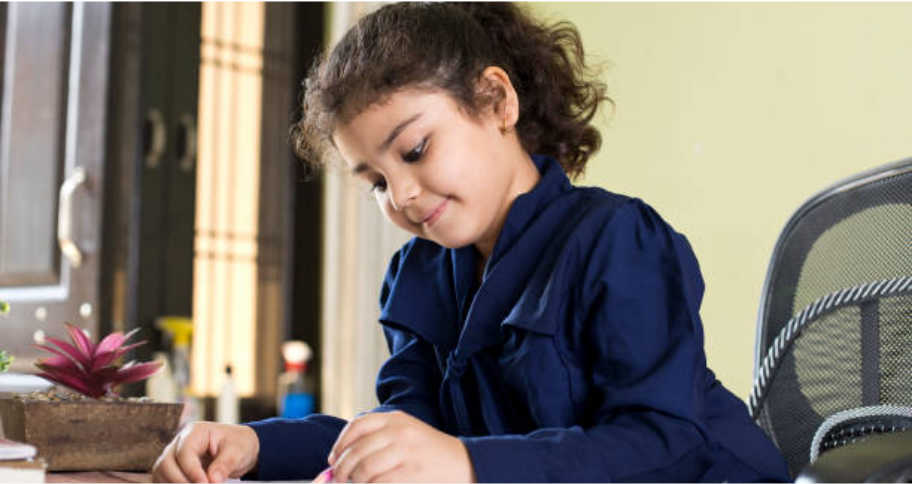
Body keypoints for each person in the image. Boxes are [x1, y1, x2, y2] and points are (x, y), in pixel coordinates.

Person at [152, 3, 790, 483]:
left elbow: (663, 444)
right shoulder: (417, 276)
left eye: (416, 150)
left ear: (495, 100)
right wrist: (256, 445)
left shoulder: (618, 240)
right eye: (375, 180)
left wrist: (465, 462)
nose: (399, 194)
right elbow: (402, 436)